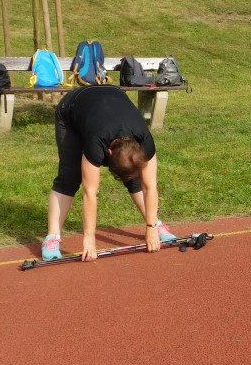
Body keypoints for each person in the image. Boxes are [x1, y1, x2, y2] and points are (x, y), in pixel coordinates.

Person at [43, 85, 174, 261]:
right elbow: (90, 194)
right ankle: (52, 238)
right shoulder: (97, 143)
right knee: (69, 178)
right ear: (108, 153)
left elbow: (150, 186)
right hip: (72, 109)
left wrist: (150, 227)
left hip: (110, 98)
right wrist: (89, 239)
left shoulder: (145, 141)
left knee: (134, 177)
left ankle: (156, 224)